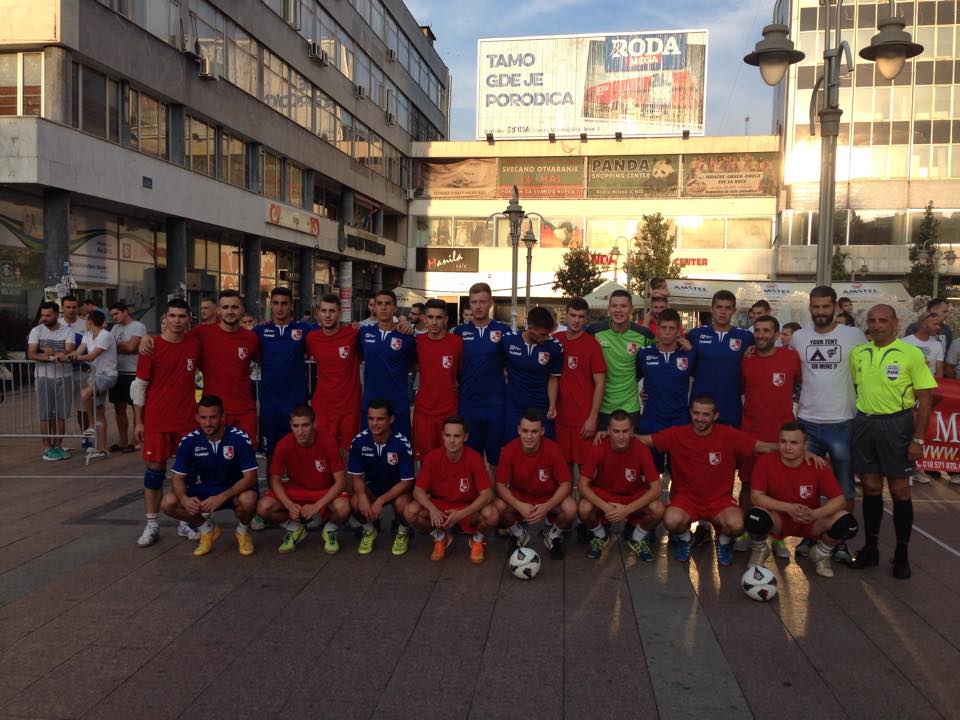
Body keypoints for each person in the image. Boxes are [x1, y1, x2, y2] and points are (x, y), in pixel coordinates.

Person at [641, 396, 784, 566]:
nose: (700, 418)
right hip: (686, 499)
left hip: (719, 500)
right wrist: (611, 435)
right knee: (671, 521)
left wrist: (794, 449)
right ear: (691, 413)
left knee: (737, 525)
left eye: (705, 414)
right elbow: (646, 440)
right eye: (696, 413)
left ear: (715, 416)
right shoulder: (677, 434)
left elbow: (760, 446)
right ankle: (686, 538)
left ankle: (722, 540)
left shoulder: (728, 435)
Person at [849, 304, 937, 579]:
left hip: (897, 425)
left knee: (899, 490)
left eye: (883, 321)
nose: (876, 326)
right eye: (872, 321)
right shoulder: (858, 353)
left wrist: (918, 439)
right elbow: (856, 386)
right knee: (872, 486)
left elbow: (925, 399)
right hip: (865, 423)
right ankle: (871, 547)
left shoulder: (911, 354)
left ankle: (901, 553)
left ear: (895, 323)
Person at [790, 286, 867, 561]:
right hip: (807, 421)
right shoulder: (799, 337)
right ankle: (809, 536)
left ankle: (841, 537)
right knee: (806, 485)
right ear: (809, 307)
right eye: (815, 307)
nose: (820, 312)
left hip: (842, 421)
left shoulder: (854, 336)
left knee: (845, 486)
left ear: (835, 307)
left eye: (825, 307)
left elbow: (868, 369)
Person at [132, 298, 203, 546]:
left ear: (189, 319)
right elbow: (139, 386)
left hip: (186, 421)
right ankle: (151, 524)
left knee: (187, 474)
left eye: (181, 316)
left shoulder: (195, 344)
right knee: (154, 472)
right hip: (157, 420)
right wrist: (138, 422)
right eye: (172, 316)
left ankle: (185, 521)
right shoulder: (151, 347)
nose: (177, 321)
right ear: (165, 318)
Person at [746, 422, 858, 577]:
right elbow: (756, 497)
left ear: (805, 445)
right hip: (780, 519)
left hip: (809, 520)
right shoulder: (765, 461)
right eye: (783, 441)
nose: (787, 447)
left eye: (794, 442)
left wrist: (814, 514)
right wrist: (788, 508)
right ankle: (760, 550)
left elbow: (839, 500)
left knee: (848, 524)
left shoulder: (818, 464)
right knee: (754, 517)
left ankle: (821, 553)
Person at [734, 315, 801, 555]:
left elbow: (806, 385)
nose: (761, 335)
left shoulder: (791, 357)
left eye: (766, 331)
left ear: (776, 334)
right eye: (758, 331)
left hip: (781, 436)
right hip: (751, 433)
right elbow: (739, 388)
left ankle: (778, 536)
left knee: (779, 489)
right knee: (748, 485)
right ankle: (744, 531)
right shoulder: (746, 359)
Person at [161, 395, 259, 557]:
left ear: (222, 417)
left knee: (248, 500)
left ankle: (243, 531)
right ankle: (207, 529)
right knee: (168, 502)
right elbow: (177, 478)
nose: (207, 423)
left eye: (213, 417)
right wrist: (185, 499)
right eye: (203, 418)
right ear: (197, 417)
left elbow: (250, 478)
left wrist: (222, 497)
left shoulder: (240, 438)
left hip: (234, 491)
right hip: (207, 490)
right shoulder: (189, 441)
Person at [403, 416, 499, 563]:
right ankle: (440, 537)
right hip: (440, 507)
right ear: (442, 436)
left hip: (467, 507)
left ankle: (477, 540)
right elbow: (418, 491)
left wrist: (461, 514)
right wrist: (432, 509)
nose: (451, 440)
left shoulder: (474, 458)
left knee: (491, 514)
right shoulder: (432, 458)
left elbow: (487, 494)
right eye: (448, 435)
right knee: (410, 511)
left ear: (465, 437)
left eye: (456, 436)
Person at [256, 404, 349, 554]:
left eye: (305, 425)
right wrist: (288, 504)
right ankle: (294, 529)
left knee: (343, 508)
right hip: (296, 490)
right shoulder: (284, 444)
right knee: (263, 507)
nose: (300, 431)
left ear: (314, 424)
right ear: (290, 425)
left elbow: (341, 481)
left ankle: (330, 530)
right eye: (296, 426)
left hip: (323, 490)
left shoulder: (328, 441)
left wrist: (317, 506)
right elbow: (275, 479)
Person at [579, 410, 664, 561]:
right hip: (605, 496)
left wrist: (627, 510)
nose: (621, 436)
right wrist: (606, 507)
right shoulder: (598, 447)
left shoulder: (641, 449)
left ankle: (637, 537)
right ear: (608, 430)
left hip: (632, 496)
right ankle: (600, 535)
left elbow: (656, 488)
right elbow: (583, 485)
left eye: (625, 431)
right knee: (584, 508)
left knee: (658, 509)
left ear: (632, 431)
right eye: (616, 431)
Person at [495, 409, 577, 559]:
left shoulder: (553, 449)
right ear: (519, 430)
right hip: (520, 497)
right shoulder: (509, 450)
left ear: (542, 431)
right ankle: (519, 534)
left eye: (534, 431)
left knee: (570, 508)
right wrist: (518, 504)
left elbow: (565, 484)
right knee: (498, 506)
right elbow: (500, 485)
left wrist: (547, 505)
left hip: (547, 497)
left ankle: (553, 536)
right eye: (525, 431)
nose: (529, 436)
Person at [452, 282, 511, 467]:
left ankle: (495, 495)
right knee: (470, 457)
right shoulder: (459, 332)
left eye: (482, 302)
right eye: (473, 302)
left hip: (495, 405)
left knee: (496, 459)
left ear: (490, 303)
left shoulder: (503, 331)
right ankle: (475, 495)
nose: (477, 306)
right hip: (468, 404)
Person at [347, 399, 416, 555]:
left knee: (404, 504)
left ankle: (403, 532)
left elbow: (407, 482)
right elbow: (356, 478)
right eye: (371, 419)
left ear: (391, 419)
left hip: (397, 488)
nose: (374, 423)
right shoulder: (359, 441)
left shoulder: (401, 443)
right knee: (356, 501)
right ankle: (369, 530)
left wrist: (380, 500)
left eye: (380, 419)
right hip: (373, 486)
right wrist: (362, 496)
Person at [253, 287, 314, 457]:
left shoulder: (304, 329)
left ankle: (301, 484)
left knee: (300, 450)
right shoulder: (260, 331)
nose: (280, 308)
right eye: (276, 303)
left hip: (296, 401)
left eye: (284, 304)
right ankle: (274, 484)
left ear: (291, 305)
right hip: (270, 402)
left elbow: (329, 333)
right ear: (270, 305)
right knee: (272, 453)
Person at [636, 308, 696, 471]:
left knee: (680, 476)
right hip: (651, 422)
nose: (667, 332)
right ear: (657, 329)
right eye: (664, 328)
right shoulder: (644, 354)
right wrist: (641, 394)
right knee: (650, 476)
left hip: (680, 422)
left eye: (672, 328)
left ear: (678, 331)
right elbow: (631, 380)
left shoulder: (689, 354)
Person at [588, 289, 654, 429]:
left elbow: (663, 352)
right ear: (608, 309)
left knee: (629, 449)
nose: (618, 310)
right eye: (614, 306)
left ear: (631, 309)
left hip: (630, 406)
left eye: (623, 306)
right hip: (601, 406)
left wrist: (650, 386)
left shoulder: (644, 335)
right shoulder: (594, 331)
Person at [554, 297, 607, 471]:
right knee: (563, 473)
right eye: (573, 315)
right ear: (566, 316)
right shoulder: (555, 341)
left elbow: (600, 383)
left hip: (583, 421)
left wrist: (592, 418)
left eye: (581, 316)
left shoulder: (592, 345)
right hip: (559, 420)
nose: (577, 320)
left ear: (587, 319)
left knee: (586, 473)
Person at [688, 290, 753, 427]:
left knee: (729, 446)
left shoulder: (745, 337)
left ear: (734, 311)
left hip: (730, 404)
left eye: (728, 308)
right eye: (719, 307)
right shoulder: (695, 335)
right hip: (701, 405)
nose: (723, 312)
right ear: (712, 309)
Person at [359, 289, 417, 441]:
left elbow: (414, 365)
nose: (383, 308)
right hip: (371, 405)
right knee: (370, 453)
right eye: (379, 304)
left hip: (397, 405)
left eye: (388, 304)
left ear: (395, 308)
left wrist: (404, 322)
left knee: (401, 451)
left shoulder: (406, 337)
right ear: (373, 307)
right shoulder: (363, 332)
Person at [306, 294, 361, 454]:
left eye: (332, 311)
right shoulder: (311, 338)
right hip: (323, 407)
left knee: (348, 456)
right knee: (325, 454)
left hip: (349, 407)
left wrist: (403, 321)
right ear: (318, 313)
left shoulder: (354, 333)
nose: (328, 315)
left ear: (340, 313)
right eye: (324, 311)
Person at [501, 306, 563, 441]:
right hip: (515, 406)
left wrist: (552, 406)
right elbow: (500, 367)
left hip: (541, 405)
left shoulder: (555, 347)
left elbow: (553, 379)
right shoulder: (508, 341)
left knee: (546, 445)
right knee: (513, 444)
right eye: (543, 334)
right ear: (530, 329)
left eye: (549, 333)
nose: (547, 337)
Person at [413, 299, 463, 461]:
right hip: (424, 411)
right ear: (424, 318)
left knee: (449, 458)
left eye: (439, 317)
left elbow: (461, 374)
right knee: (425, 460)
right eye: (430, 317)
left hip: (449, 411)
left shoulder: (456, 343)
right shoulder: (417, 342)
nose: (434, 322)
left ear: (446, 319)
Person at [27, 301, 75, 461]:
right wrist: (46, 354)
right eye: (42, 315)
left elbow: (69, 350)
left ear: (56, 315)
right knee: (45, 414)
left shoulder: (68, 330)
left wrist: (55, 352)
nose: (44, 318)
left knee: (62, 414)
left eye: (48, 315)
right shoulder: (36, 331)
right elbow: (32, 354)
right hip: (43, 377)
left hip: (64, 376)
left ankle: (58, 445)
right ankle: (47, 447)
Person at [66, 310, 118, 458]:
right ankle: (102, 448)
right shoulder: (87, 335)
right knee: (100, 411)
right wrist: (69, 355)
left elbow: (92, 355)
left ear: (90, 322)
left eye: (86, 320)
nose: (84, 323)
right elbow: (79, 351)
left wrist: (75, 358)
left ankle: (90, 424)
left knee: (85, 393)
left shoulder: (105, 335)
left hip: (107, 376)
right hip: (94, 375)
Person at [108, 302, 146, 453]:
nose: (114, 317)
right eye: (112, 315)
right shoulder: (115, 328)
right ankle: (122, 441)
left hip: (133, 373)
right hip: (118, 372)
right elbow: (108, 345)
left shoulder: (138, 326)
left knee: (135, 408)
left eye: (116, 313)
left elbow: (132, 347)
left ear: (125, 312)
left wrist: (116, 345)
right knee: (119, 407)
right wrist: (122, 345)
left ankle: (135, 441)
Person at [902, 311, 944, 377]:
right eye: (935, 324)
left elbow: (939, 370)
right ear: (923, 325)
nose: (938, 327)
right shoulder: (904, 343)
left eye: (939, 324)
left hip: (930, 385)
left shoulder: (937, 345)